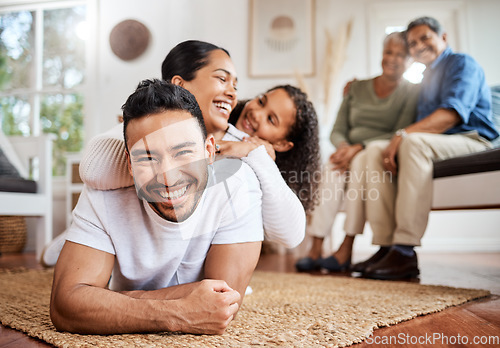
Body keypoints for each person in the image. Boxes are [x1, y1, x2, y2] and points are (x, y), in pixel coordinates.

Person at [50, 80, 264, 335]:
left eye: (183, 152)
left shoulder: (238, 185)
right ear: (129, 164)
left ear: (208, 151)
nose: (167, 179)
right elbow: (65, 306)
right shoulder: (103, 193)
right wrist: (179, 312)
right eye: (147, 158)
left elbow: (222, 302)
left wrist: (109, 299)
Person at [77, 40, 319, 247]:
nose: (234, 94)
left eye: (235, 85)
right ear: (180, 85)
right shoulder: (148, 122)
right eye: (222, 79)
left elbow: (291, 235)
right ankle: (84, 239)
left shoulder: (242, 147)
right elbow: (93, 170)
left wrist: (258, 156)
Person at [353, 16, 499, 280]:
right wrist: (356, 88)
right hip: (441, 143)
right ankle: (386, 246)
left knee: (413, 143)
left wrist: (402, 135)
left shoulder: (462, 64)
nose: (419, 46)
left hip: (473, 138)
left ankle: (405, 250)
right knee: (374, 150)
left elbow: (451, 116)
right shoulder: (424, 79)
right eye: (413, 43)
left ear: (443, 38)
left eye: (425, 38)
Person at [295, 31, 420, 272]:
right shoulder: (357, 88)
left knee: (363, 162)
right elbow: (337, 129)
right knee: (331, 168)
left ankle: (346, 246)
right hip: (348, 151)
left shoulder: (411, 93)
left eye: (401, 55)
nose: (392, 59)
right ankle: (315, 245)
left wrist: (358, 148)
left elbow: (399, 130)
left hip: (374, 152)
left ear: (410, 60)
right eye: (388, 52)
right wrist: (343, 148)